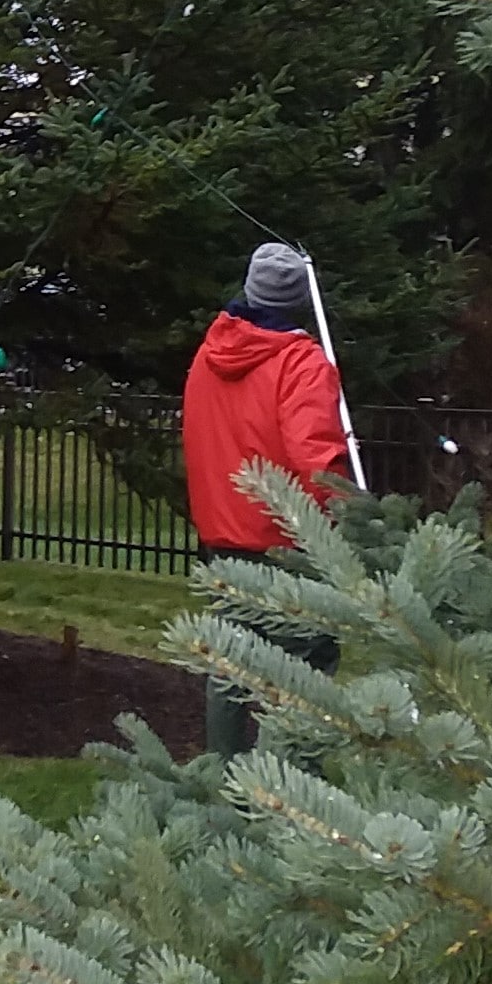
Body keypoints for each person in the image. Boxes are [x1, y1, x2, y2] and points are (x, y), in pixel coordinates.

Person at [182, 240, 350, 749]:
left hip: (221, 536)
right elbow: (316, 457)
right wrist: (338, 525)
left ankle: (223, 775)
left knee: (229, 666)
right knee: (305, 664)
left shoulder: (209, 354)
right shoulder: (302, 363)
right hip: (286, 540)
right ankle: (293, 786)